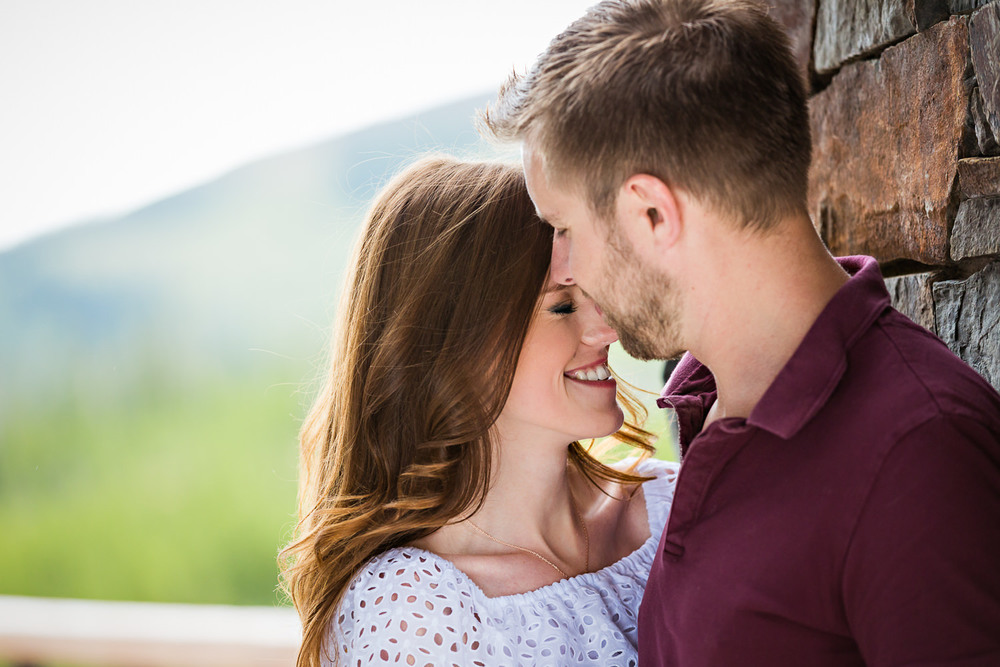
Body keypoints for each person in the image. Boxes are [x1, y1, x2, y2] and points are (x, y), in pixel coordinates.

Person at [481, 0, 1000, 665]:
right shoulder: (710, 402)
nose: (565, 269)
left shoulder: (916, 458)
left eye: (564, 228)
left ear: (651, 213)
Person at [280, 156, 678, 667]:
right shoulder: (415, 612)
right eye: (561, 307)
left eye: (599, 295)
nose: (609, 330)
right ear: (453, 348)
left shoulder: (672, 504)